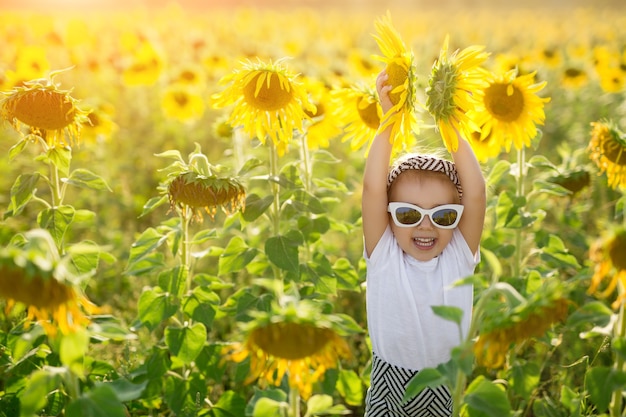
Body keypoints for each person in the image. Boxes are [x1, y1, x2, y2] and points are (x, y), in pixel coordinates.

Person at [362, 70, 486, 416]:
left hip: (445, 384)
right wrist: (390, 118)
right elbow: (373, 189)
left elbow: (475, 193)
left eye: (443, 215)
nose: (426, 225)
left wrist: (448, 120)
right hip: (390, 383)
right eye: (408, 214)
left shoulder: (458, 256)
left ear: (457, 215)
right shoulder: (384, 254)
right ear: (388, 216)